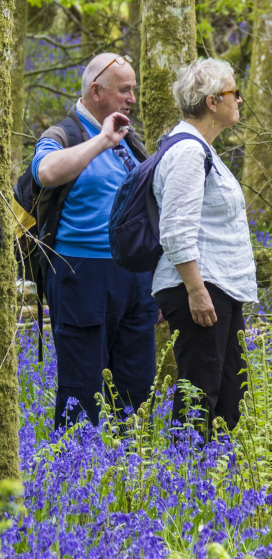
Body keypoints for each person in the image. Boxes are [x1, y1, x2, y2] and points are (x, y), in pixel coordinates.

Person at [33, 53, 157, 429]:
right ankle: (74, 474)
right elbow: (45, 172)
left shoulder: (129, 139)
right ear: (96, 90)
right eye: (125, 90)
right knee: (82, 389)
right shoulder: (64, 135)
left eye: (134, 89)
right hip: (81, 275)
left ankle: (125, 474)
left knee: (136, 386)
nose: (132, 98)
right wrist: (101, 141)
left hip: (135, 278)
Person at [152, 58, 258, 433]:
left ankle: (218, 480)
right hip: (202, 289)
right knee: (200, 395)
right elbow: (176, 231)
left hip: (219, 287)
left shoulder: (204, 150)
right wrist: (195, 292)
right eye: (234, 92)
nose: (240, 100)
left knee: (230, 392)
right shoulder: (188, 152)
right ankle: (186, 480)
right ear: (212, 101)